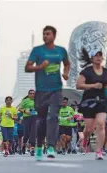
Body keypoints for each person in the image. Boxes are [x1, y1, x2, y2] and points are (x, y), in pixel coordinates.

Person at [25, 26, 70, 161]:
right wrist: (40, 67)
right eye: (43, 34)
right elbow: (27, 67)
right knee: (42, 120)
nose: (45, 36)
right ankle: (39, 145)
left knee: (53, 117)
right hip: (41, 91)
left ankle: (51, 146)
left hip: (56, 89)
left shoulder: (61, 51)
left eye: (48, 34)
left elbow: (67, 64)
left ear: (54, 36)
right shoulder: (37, 50)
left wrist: (66, 73)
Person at [76, 48, 107, 160]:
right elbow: (79, 85)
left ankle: (99, 151)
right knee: (89, 129)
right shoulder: (86, 71)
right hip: (88, 102)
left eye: (100, 55)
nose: (98, 57)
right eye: (96, 55)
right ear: (91, 58)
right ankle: (85, 139)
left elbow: (106, 84)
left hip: (101, 101)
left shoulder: (106, 72)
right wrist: (93, 85)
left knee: (101, 124)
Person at [19, 89, 37, 156]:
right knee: (26, 134)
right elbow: (20, 109)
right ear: (28, 94)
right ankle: (23, 146)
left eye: (33, 93)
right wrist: (25, 111)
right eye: (31, 93)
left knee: (33, 133)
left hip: (35, 118)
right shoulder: (25, 101)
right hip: (26, 118)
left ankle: (32, 149)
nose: (32, 95)